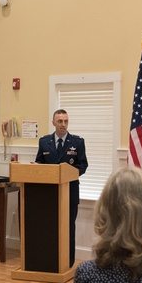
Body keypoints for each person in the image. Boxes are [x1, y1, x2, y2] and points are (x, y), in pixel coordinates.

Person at [35, 109, 88, 266]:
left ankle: (68, 262)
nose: (63, 125)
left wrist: (69, 174)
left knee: (68, 228)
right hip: (48, 193)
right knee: (49, 227)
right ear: (53, 123)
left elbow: (83, 165)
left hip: (69, 192)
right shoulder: (44, 142)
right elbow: (39, 163)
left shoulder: (77, 142)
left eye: (65, 121)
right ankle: (50, 260)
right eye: (60, 121)